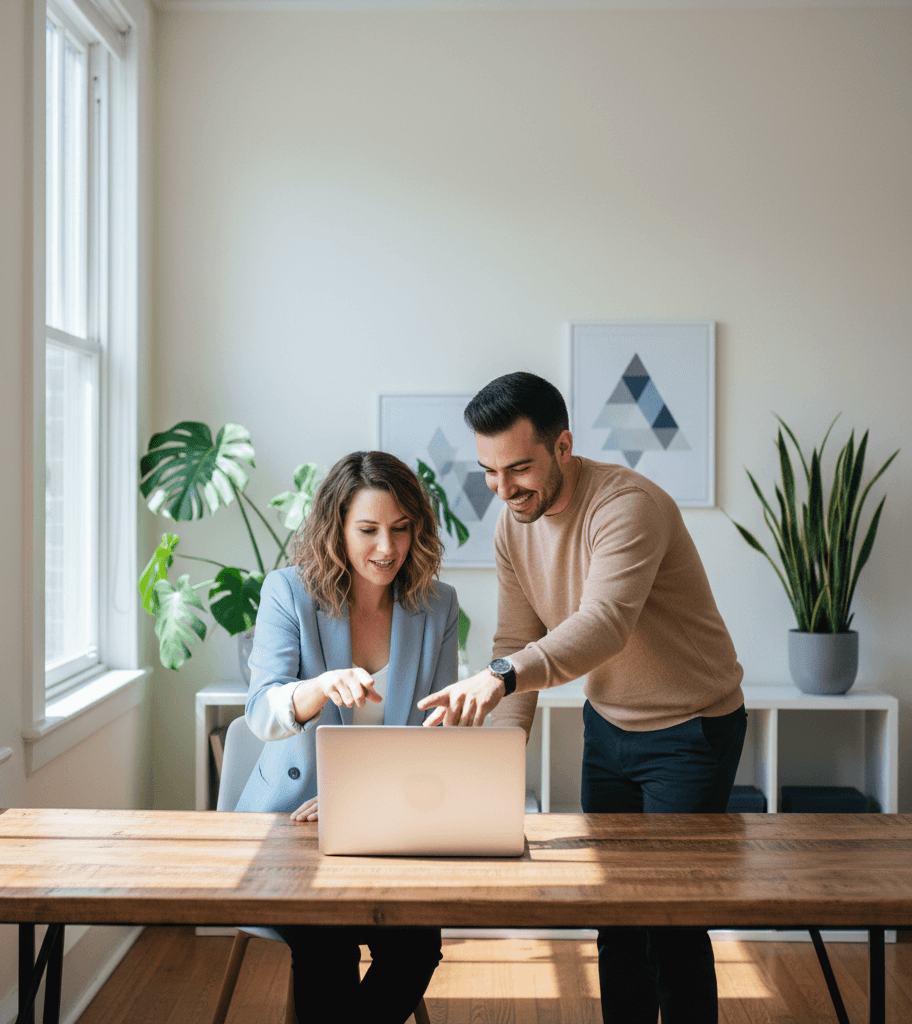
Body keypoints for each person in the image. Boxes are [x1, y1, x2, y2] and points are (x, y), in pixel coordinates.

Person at [417, 371, 746, 1024]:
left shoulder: (628, 505)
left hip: (690, 730)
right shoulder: (515, 527)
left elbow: (603, 626)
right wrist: (501, 768)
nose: (503, 491)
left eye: (518, 469)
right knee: (615, 916)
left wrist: (502, 675)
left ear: (563, 447)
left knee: (671, 922)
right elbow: (516, 635)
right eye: (488, 472)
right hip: (608, 728)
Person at [234, 450, 457, 1024]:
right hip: (292, 825)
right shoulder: (289, 593)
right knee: (324, 944)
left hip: (394, 823)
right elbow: (261, 713)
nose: (387, 548)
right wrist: (319, 687)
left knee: (415, 947)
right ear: (336, 529)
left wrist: (360, 799)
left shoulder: (437, 606)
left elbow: (438, 737)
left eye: (401, 529)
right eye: (368, 530)